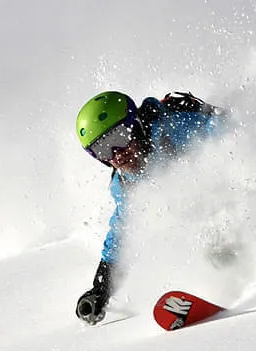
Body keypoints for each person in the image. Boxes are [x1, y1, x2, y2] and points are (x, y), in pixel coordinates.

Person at [74, 90, 224, 325]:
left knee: (219, 220)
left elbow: (231, 138)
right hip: (204, 218)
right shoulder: (126, 185)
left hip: (232, 192)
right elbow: (122, 233)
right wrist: (101, 289)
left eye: (119, 137)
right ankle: (218, 281)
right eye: (103, 150)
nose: (117, 154)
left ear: (135, 125)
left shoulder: (174, 128)